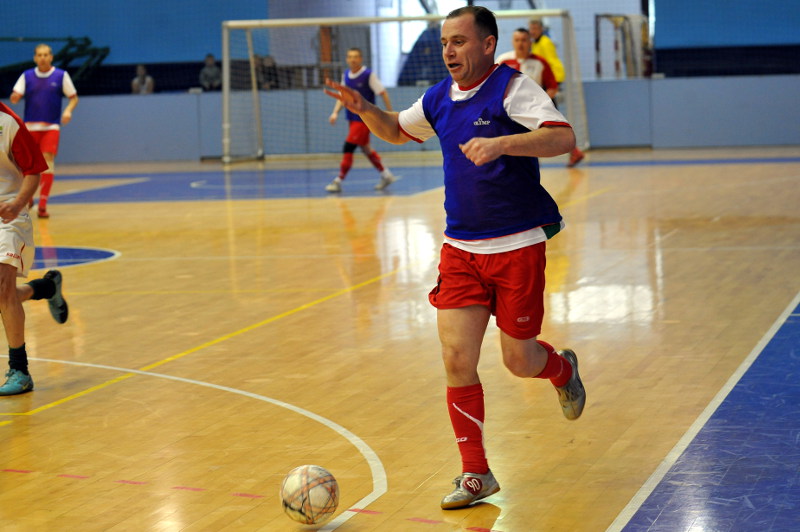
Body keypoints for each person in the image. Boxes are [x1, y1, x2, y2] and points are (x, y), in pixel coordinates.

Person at [325, 6, 586, 509]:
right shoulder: (437, 98)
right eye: (445, 42)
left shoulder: (512, 88)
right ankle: (476, 473)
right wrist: (364, 108)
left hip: (516, 246)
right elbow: (395, 130)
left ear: (487, 45)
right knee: (456, 358)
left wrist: (502, 143)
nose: (449, 50)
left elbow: (562, 137)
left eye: (459, 41)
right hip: (461, 250)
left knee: (519, 360)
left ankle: (561, 370)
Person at [0, 101, 70, 396]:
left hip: (8, 214)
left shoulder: (9, 123)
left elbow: (34, 171)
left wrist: (18, 203)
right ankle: (46, 287)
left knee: (3, 289)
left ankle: (20, 369)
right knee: (4, 297)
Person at [9, 43, 79, 218]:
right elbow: (15, 96)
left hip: (51, 127)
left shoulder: (61, 75)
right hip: (29, 128)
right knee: (27, 166)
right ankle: (29, 197)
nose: (43, 58)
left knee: (48, 162)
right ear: (35, 58)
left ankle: (43, 204)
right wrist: (15, 97)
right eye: (39, 55)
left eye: (46, 55)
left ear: (51, 57)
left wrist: (68, 110)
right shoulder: (27, 76)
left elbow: (73, 98)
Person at [326, 47, 396, 193]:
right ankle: (386, 175)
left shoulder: (368, 75)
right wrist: (335, 113)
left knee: (349, 147)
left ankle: (338, 180)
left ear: (361, 59)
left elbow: (383, 93)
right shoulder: (345, 75)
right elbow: (342, 96)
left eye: (356, 56)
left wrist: (390, 112)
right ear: (347, 59)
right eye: (350, 56)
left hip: (365, 119)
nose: (353, 59)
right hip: (352, 118)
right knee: (365, 148)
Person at [529, 18, 585, 167]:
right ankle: (573, 152)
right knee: (547, 120)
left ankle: (574, 151)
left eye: (535, 28)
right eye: (531, 28)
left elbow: (550, 63)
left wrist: (553, 84)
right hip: (543, 85)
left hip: (550, 83)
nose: (532, 31)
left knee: (551, 121)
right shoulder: (535, 44)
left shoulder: (545, 42)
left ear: (541, 29)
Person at [497, 27, 559, 99]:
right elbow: (493, 85)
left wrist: (541, 103)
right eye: (517, 40)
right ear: (512, 42)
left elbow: (552, 88)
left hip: (534, 103)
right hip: (508, 104)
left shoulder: (540, 62)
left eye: (523, 40)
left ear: (530, 43)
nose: (520, 44)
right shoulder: (502, 60)